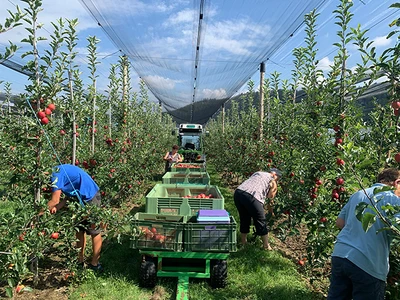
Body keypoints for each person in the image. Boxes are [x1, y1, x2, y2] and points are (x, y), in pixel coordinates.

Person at [327, 168, 400, 300]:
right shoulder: (393, 200)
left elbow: (340, 222)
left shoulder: (359, 194)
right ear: (397, 182)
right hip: (368, 262)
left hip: (341, 254)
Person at [46, 164, 103, 271]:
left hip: (90, 196)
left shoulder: (55, 175)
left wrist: (39, 213)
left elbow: (55, 200)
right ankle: (79, 261)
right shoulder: (56, 171)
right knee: (79, 230)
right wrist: (57, 208)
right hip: (76, 197)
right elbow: (65, 199)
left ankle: (95, 264)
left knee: (94, 231)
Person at [234, 168, 281, 250]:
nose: (278, 180)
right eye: (278, 178)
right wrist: (271, 211)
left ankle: (243, 242)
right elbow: (270, 196)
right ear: (274, 175)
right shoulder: (272, 179)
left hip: (238, 192)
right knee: (261, 219)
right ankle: (266, 246)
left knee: (244, 217)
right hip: (252, 196)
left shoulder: (258, 173)